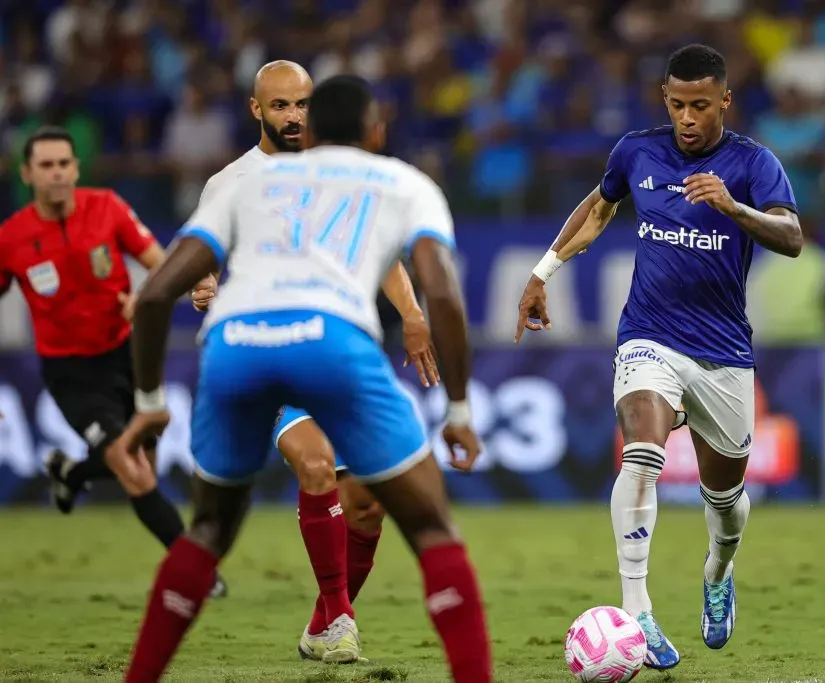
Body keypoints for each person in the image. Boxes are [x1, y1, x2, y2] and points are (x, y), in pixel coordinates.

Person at [113, 74, 492, 682]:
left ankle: (314, 623)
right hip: (330, 340)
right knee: (432, 527)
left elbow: (155, 294)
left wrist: (150, 402)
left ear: (312, 126)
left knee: (209, 529)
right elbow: (444, 290)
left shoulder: (256, 185)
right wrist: (461, 409)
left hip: (235, 345)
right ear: (377, 130)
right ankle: (350, 622)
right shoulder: (403, 182)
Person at [515, 44, 802, 665]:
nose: (687, 118)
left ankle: (718, 574)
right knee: (642, 452)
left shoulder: (753, 164)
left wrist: (733, 206)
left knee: (724, 503)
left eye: (700, 105)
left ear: (724, 100)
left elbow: (792, 236)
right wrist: (543, 272)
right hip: (649, 335)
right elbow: (599, 208)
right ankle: (638, 611)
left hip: (724, 351)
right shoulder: (637, 152)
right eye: (677, 105)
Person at [188, 60, 443, 661]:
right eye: (280, 106)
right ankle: (344, 620)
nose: (294, 116)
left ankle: (323, 620)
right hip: (268, 353)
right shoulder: (229, 183)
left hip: (339, 347)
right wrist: (205, 288)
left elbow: (382, 253)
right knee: (316, 465)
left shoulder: (336, 173)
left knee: (366, 504)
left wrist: (410, 315)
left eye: (302, 104)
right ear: (257, 111)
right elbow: (203, 270)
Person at [0, 126, 227, 598]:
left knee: (144, 454)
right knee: (132, 468)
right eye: (46, 165)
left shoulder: (107, 207)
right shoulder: (12, 238)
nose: (57, 173)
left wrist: (168, 289)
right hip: (71, 373)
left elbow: (160, 264)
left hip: (128, 356)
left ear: (76, 168)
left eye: (64, 163)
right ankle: (198, 571)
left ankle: (72, 472)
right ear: (27, 174)